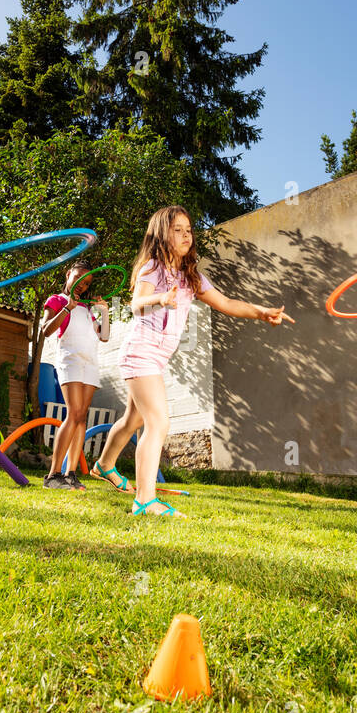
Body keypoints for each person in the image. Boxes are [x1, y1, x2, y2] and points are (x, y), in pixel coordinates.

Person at [92, 205, 293, 517]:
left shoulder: (191, 277)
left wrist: (260, 312)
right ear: (161, 234)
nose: (186, 235)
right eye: (178, 230)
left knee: (134, 419)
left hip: (156, 357)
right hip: (140, 351)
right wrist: (159, 298)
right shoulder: (152, 269)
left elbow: (225, 302)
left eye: (188, 230)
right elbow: (136, 304)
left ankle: (104, 466)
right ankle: (145, 500)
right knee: (158, 421)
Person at [39, 264, 110, 490]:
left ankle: (70, 474)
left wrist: (105, 312)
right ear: (68, 274)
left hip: (90, 363)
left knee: (82, 417)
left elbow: (105, 337)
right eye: (78, 277)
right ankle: (53, 475)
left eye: (87, 282)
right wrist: (66, 309)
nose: (82, 284)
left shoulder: (87, 309)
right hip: (70, 360)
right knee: (73, 414)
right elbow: (46, 330)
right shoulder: (57, 300)